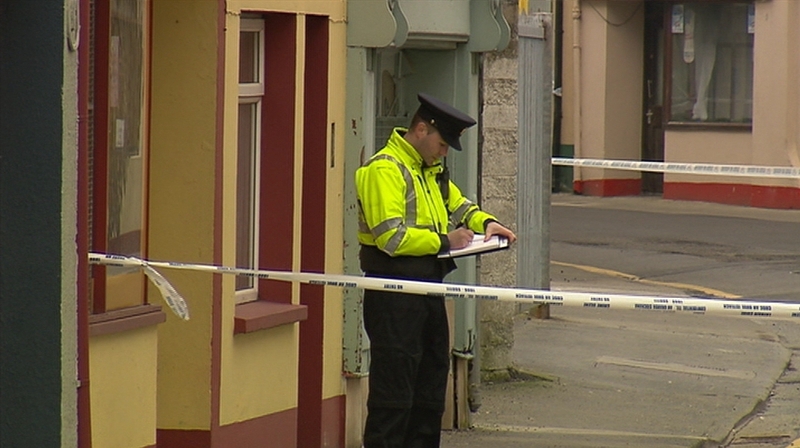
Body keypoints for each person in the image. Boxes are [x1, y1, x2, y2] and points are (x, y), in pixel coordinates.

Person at [355, 93, 517, 448]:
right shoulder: (385, 170)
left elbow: (459, 205)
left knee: (429, 388)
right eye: (442, 144)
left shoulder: (429, 170)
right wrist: (446, 242)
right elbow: (391, 239)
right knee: (393, 393)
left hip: (428, 287)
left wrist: (488, 223)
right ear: (421, 129)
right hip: (394, 292)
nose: (444, 152)